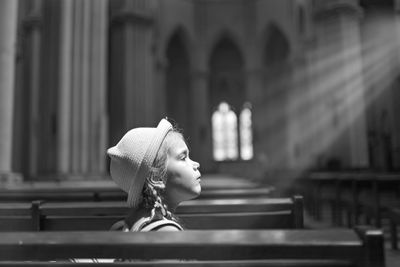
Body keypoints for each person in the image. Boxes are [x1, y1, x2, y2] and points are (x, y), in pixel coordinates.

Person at [107, 118, 201, 232]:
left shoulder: (129, 222)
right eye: (183, 158)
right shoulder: (167, 231)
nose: (196, 164)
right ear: (156, 177)